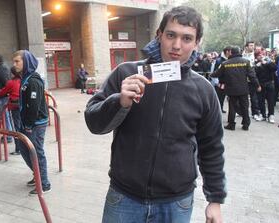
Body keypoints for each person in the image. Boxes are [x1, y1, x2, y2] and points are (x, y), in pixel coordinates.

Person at [85, 6, 226, 222]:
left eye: (187, 38)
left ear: (196, 43)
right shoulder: (126, 73)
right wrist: (119, 102)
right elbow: (94, 123)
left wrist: (214, 199)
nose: (177, 46)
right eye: (171, 35)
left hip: (176, 202)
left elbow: (212, 147)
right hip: (124, 197)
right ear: (159, 35)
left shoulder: (204, 89)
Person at [12, 50, 50, 195]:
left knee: (37, 152)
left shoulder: (33, 80)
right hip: (26, 122)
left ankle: (45, 183)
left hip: (35, 123)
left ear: (26, 62)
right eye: (14, 61)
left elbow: (33, 106)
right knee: (23, 149)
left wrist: (28, 125)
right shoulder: (25, 78)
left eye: (17, 61)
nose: (14, 64)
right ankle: (37, 175)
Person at [213, 46, 261, 131]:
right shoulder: (246, 62)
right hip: (243, 88)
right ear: (239, 52)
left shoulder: (225, 63)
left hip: (231, 89)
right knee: (245, 107)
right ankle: (246, 124)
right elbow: (252, 75)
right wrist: (257, 85)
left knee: (232, 107)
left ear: (231, 52)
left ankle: (231, 124)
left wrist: (210, 75)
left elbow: (217, 73)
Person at [0, 66, 21, 155]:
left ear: (12, 73)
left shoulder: (11, 82)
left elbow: (2, 92)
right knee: (23, 126)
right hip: (23, 106)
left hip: (14, 107)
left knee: (16, 127)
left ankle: (18, 149)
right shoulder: (22, 81)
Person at [0, 54, 13, 143]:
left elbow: (5, 83)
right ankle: (9, 134)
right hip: (5, 96)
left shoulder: (0, 69)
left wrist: (2, 92)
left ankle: (8, 136)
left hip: (2, 97)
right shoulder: (5, 67)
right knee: (7, 116)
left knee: (5, 117)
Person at [254, 52, 277, 123]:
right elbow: (254, 74)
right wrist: (257, 66)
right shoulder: (257, 64)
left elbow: (275, 68)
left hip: (270, 83)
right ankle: (262, 115)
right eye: (259, 55)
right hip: (260, 84)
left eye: (262, 55)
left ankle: (271, 115)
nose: (261, 56)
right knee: (261, 100)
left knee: (270, 100)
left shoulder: (269, 62)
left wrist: (267, 63)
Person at [211, 46, 231, 113]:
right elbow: (214, 72)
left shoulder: (229, 60)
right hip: (220, 82)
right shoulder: (219, 60)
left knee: (224, 97)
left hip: (228, 82)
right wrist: (216, 82)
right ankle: (218, 109)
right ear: (227, 52)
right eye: (230, 51)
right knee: (219, 97)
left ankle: (221, 108)